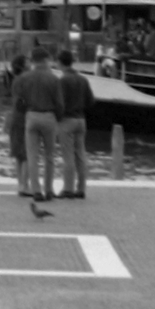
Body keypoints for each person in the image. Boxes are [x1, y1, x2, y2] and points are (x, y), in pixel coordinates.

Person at [11, 48, 64, 202]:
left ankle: (36, 191)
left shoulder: (25, 78)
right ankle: (49, 189)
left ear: (33, 61)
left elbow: (19, 101)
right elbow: (60, 104)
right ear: (46, 60)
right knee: (49, 156)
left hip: (32, 116)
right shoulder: (54, 79)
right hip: (49, 116)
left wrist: (26, 111)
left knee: (32, 156)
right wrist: (58, 118)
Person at [54, 48, 94, 199]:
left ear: (59, 62)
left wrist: (57, 117)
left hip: (67, 120)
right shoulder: (83, 79)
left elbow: (59, 103)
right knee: (81, 155)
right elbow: (91, 101)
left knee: (68, 156)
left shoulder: (62, 80)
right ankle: (81, 188)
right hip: (81, 120)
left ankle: (68, 188)